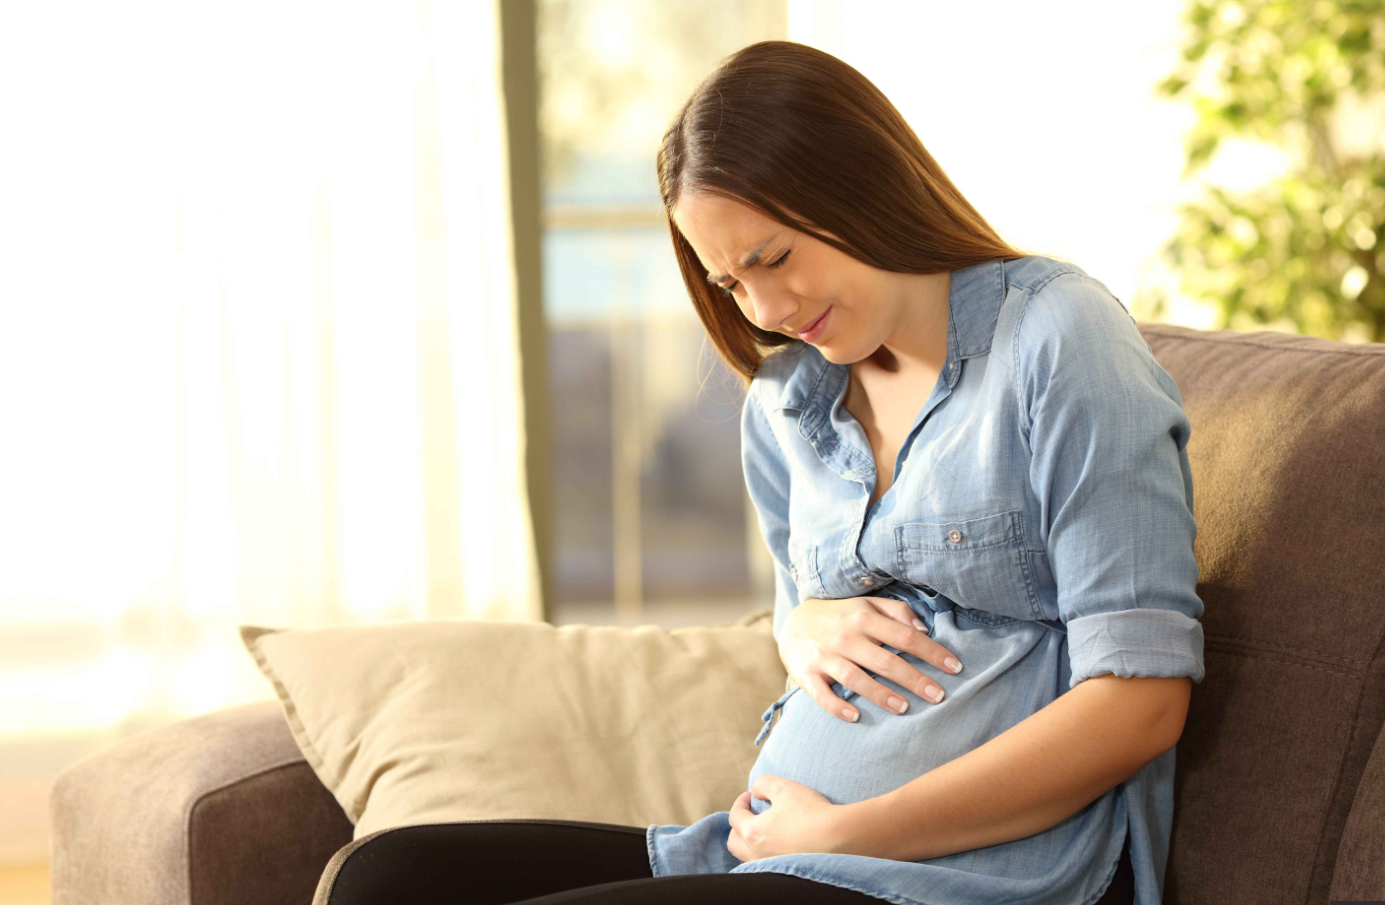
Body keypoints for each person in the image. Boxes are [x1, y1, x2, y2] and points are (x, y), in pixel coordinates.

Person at [324, 39, 1199, 905]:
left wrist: (848, 832)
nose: (768, 311)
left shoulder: (1057, 338)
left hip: (973, 875)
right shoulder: (787, 402)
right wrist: (798, 628)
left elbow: (1140, 702)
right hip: (769, 851)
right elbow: (799, 621)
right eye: (730, 283)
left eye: (773, 258)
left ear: (862, 183)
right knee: (385, 878)